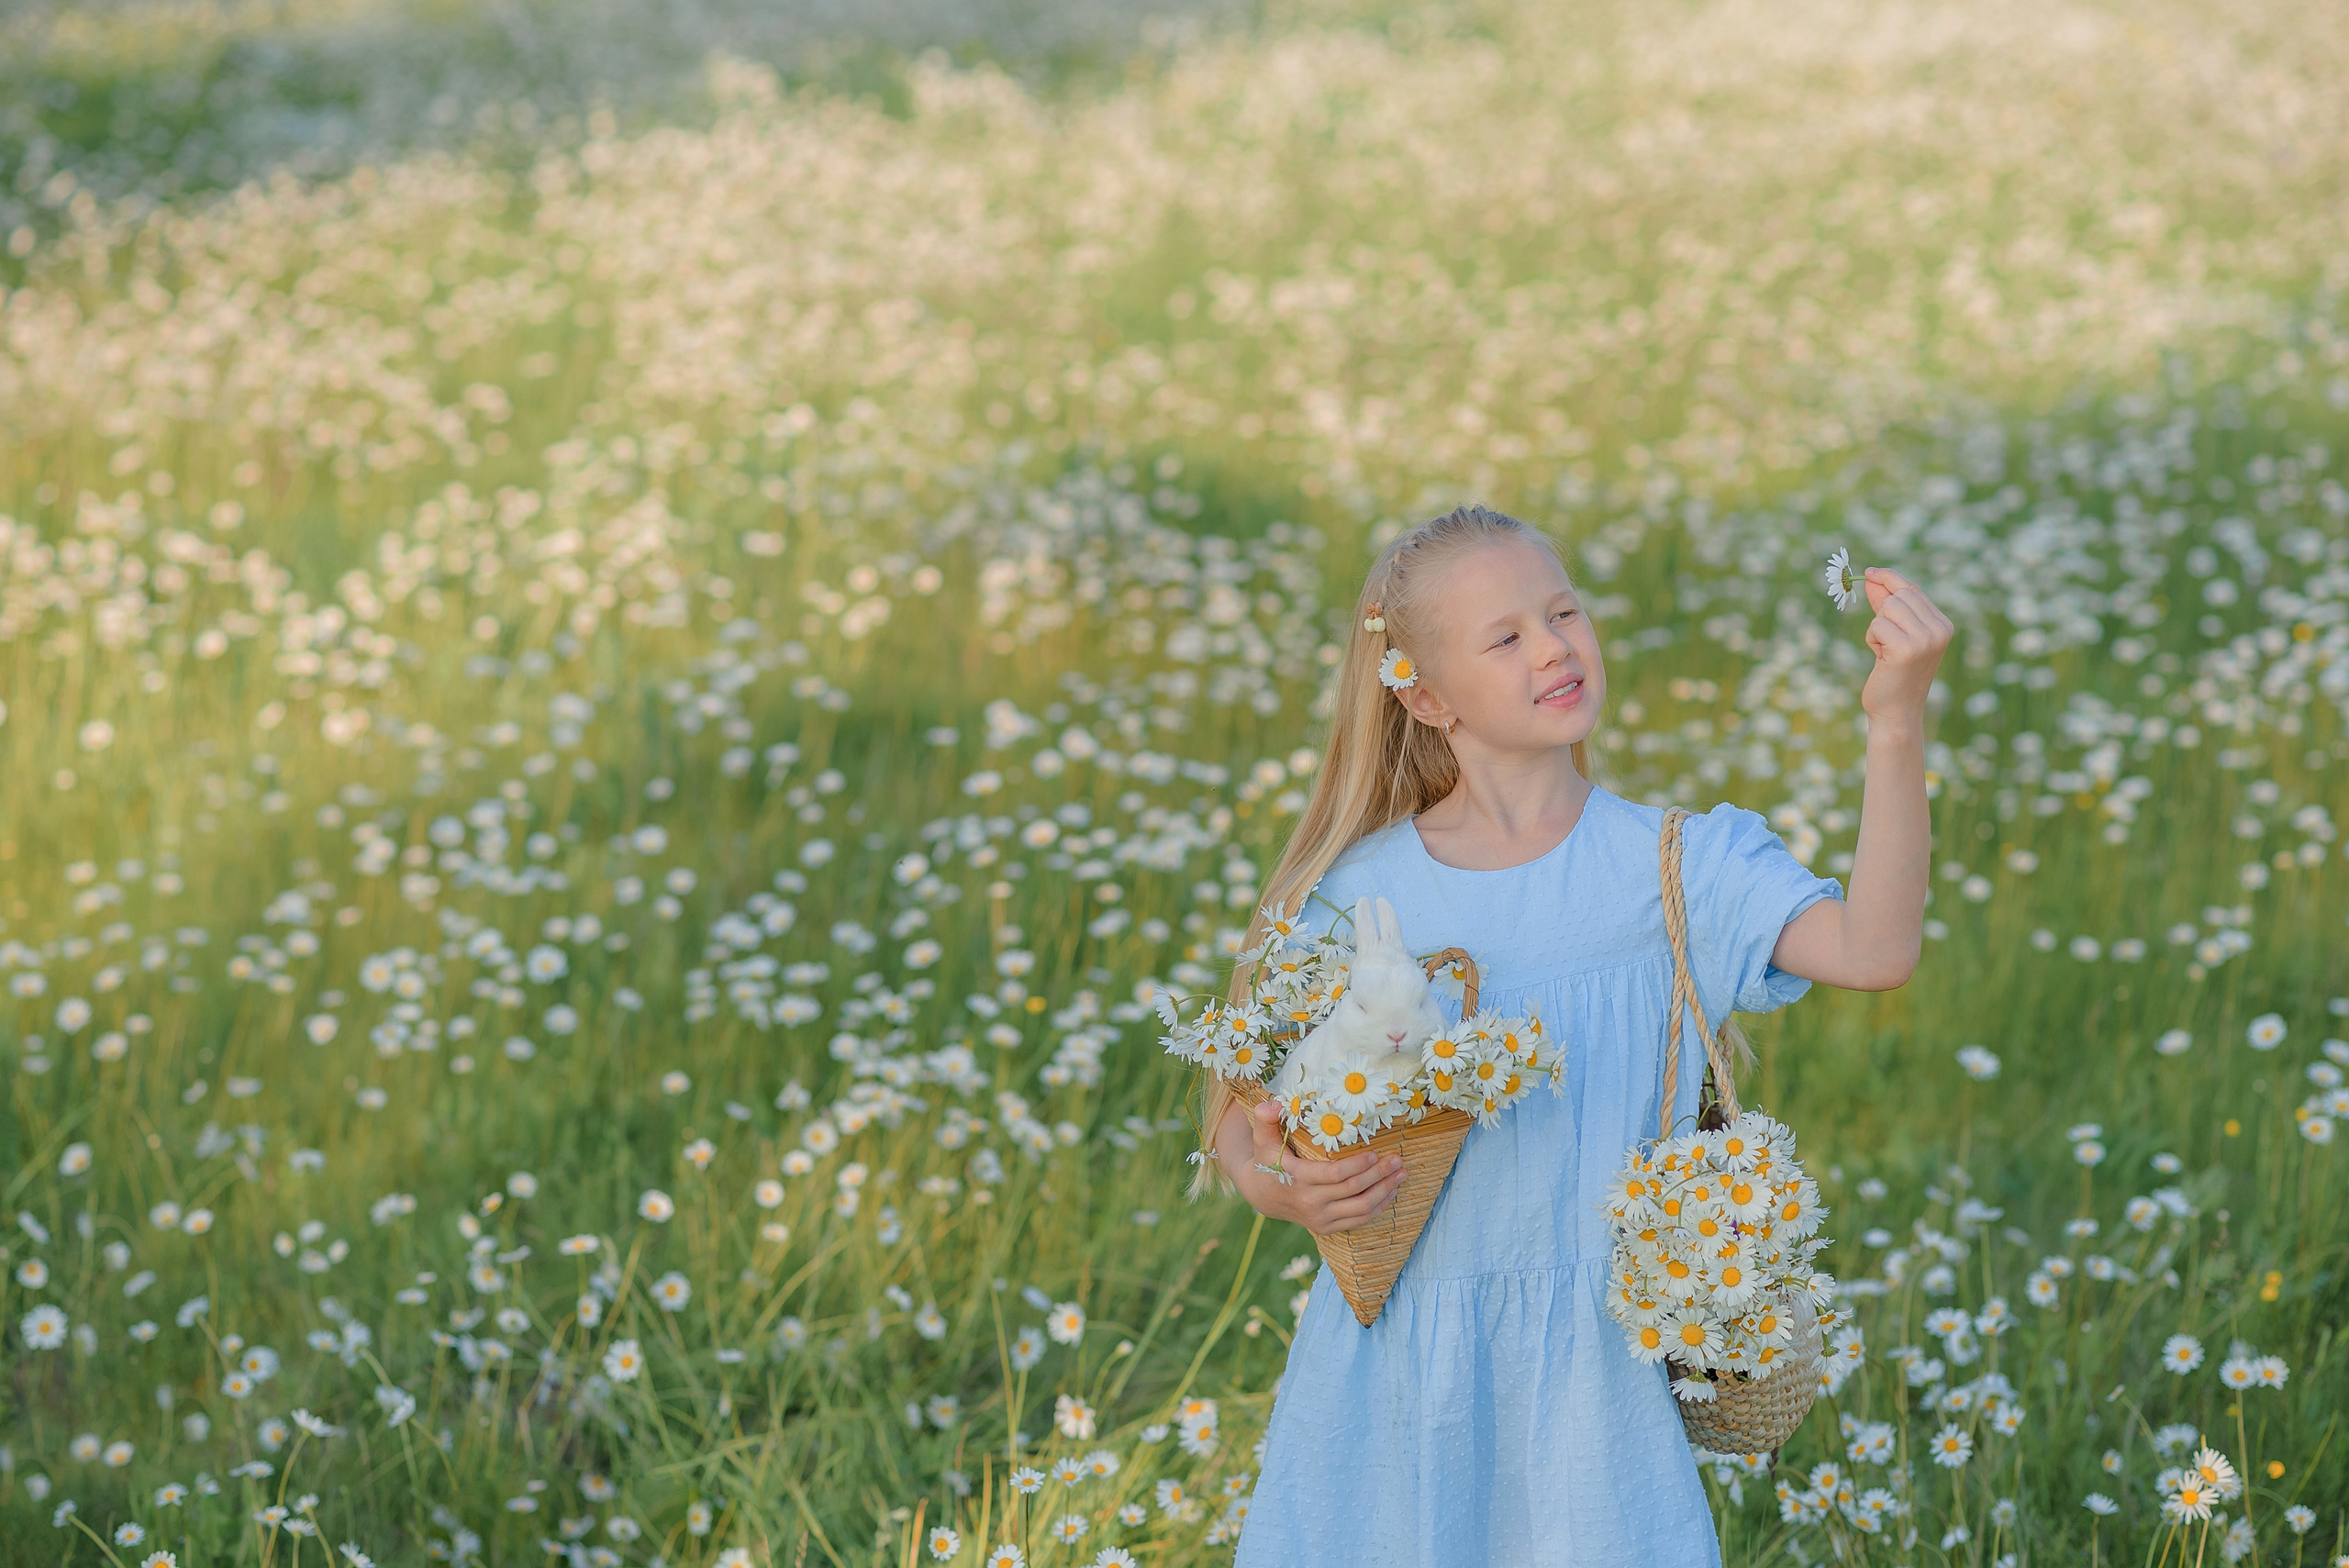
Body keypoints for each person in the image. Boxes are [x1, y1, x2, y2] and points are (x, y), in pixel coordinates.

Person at [1186, 503, 1951, 1565]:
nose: (1554, 645)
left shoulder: (1676, 865)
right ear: (1423, 693)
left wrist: (1895, 719)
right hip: (1398, 1366)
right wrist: (1281, 1184)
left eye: (1565, 612)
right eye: (1506, 636)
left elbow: (1875, 948)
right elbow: (1244, 1112)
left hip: (1598, 1375)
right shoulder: (1360, 894)